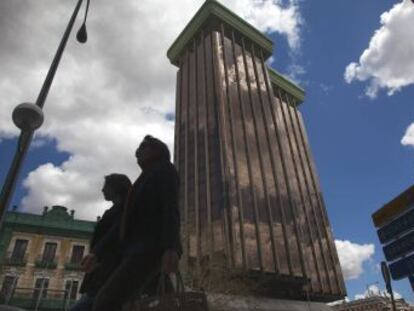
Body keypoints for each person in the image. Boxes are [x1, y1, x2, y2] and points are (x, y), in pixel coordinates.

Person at [89, 135, 182, 311]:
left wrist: (171, 247)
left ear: (156, 151)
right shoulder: (142, 179)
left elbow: (170, 208)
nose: (137, 152)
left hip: (148, 250)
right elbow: (124, 222)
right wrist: (97, 252)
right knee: (165, 303)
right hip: (136, 251)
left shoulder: (164, 169)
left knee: (105, 302)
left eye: (143, 147)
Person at [69, 174, 131, 311]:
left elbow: (114, 234)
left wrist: (96, 254)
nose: (102, 190)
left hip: (108, 272)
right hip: (103, 272)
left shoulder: (124, 211)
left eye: (106, 187)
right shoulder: (115, 211)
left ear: (115, 188)